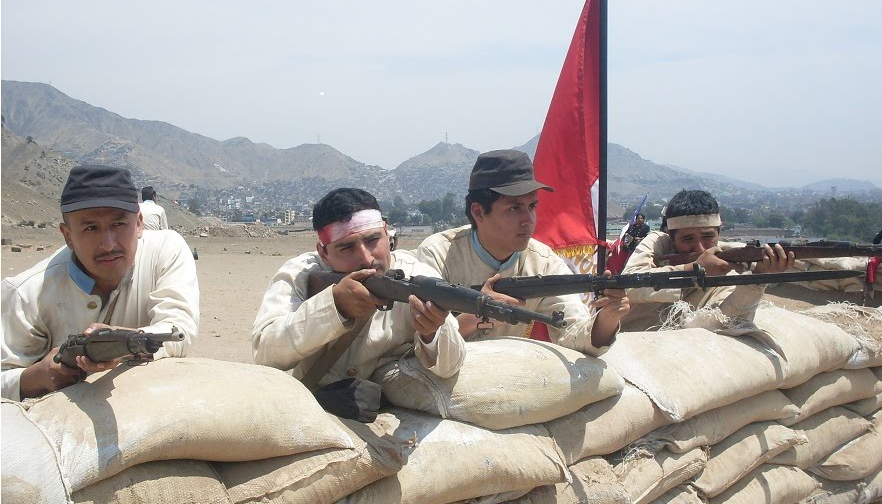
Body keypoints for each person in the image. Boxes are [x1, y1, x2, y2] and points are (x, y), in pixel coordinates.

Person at [1, 165, 200, 401]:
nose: (107, 244)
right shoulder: (27, 292)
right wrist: (40, 376)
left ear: (138, 224)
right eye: (90, 228)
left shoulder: (166, 252)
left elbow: (179, 331)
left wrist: (121, 341)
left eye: (118, 225)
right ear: (68, 236)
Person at [415, 149, 628, 356]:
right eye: (514, 209)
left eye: (532, 206)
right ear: (478, 212)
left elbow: (573, 334)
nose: (529, 220)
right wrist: (480, 312)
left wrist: (607, 319)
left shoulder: (543, 262)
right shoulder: (438, 254)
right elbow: (421, 342)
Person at [252, 188, 466, 390]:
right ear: (323, 253)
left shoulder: (418, 277)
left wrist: (432, 334)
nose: (366, 258)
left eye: (373, 240)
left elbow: (451, 365)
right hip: (315, 403)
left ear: (387, 233)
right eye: (347, 247)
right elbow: (265, 353)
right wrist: (334, 306)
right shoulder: (300, 273)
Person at [621, 189, 794, 330]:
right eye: (688, 239)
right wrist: (693, 270)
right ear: (670, 237)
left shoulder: (730, 266)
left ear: (719, 233)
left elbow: (728, 321)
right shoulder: (658, 241)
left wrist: (758, 279)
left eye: (708, 236)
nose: (701, 248)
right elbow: (628, 284)